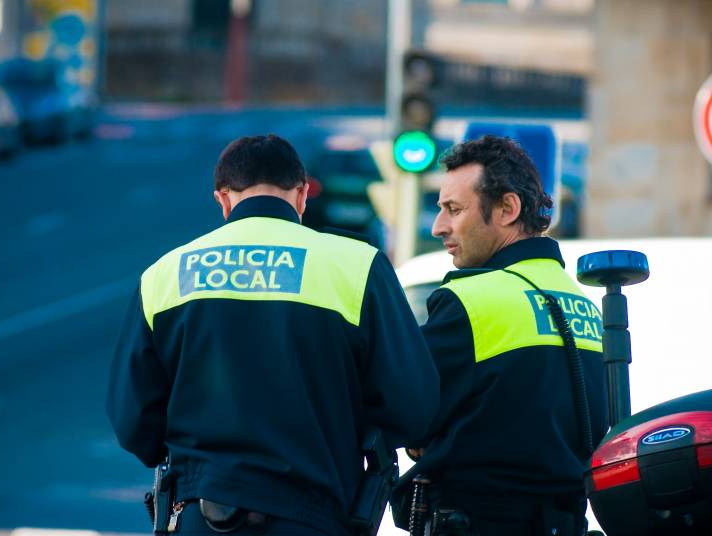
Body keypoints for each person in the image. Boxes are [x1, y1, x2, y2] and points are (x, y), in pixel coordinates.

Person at [107, 134, 440, 535]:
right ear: (301, 195)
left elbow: (133, 421)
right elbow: (412, 405)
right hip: (315, 514)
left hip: (203, 514)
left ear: (223, 200)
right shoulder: (357, 266)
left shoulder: (165, 274)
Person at [396, 136, 608, 536]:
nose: (439, 227)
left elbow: (402, 410)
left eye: (454, 210)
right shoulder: (585, 307)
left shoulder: (469, 299)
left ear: (508, 209)